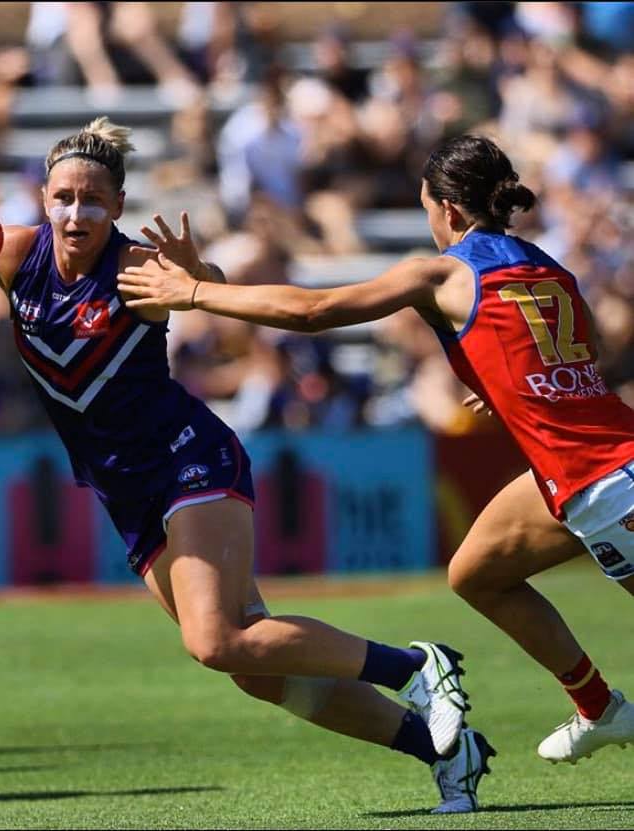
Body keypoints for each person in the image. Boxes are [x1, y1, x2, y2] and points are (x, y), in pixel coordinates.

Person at [0, 117, 494, 814]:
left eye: (94, 199)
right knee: (254, 670)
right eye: (63, 198)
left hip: (188, 460)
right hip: (125, 489)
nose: (77, 212)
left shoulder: (137, 268)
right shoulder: (13, 256)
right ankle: (444, 750)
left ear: (119, 203)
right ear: (43, 199)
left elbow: (218, 291)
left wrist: (200, 275)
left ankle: (416, 665)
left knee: (215, 638)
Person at [118, 133, 634, 766]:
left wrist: (193, 293)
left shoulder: (443, 270)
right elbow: (591, 357)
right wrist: (508, 388)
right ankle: (598, 707)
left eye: (424, 207)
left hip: (607, 481)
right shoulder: (550, 268)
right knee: (477, 574)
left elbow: (316, 310)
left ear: (447, 210)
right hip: (585, 463)